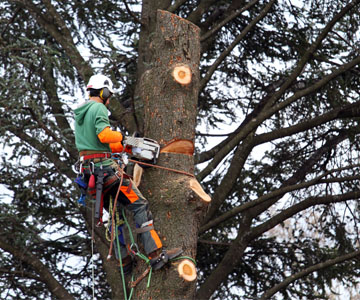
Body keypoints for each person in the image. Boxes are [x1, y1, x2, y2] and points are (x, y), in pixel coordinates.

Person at [73, 74, 181, 273]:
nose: (109, 99)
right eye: (108, 95)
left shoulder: (81, 113)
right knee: (139, 205)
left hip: (91, 174)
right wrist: (123, 137)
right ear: (103, 91)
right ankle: (155, 255)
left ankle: (124, 260)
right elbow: (104, 135)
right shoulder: (98, 108)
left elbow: (98, 144)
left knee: (116, 214)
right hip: (106, 172)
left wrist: (124, 146)